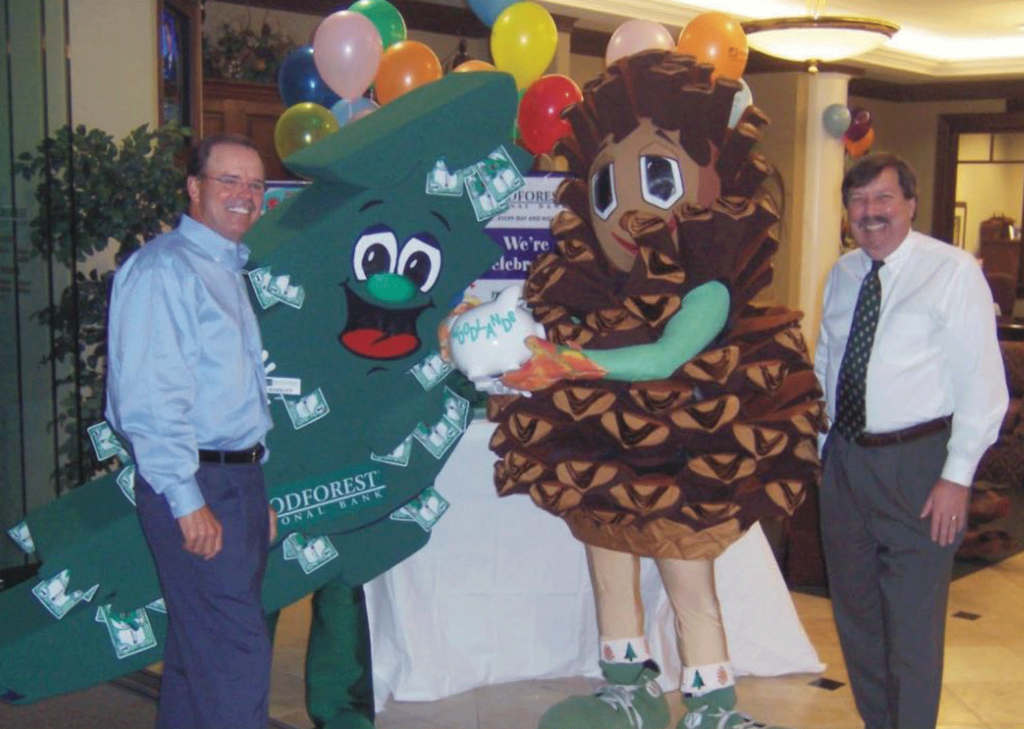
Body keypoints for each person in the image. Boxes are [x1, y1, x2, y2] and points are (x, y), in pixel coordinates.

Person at [465, 50, 823, 729]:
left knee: (689, 582)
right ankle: (629, 688)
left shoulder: (709, 277)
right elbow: (535, 333)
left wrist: (566, 366)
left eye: (656, 176)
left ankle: (713, 705)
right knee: (608, 561)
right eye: (606, 186)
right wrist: (482, 337)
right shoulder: (589, 283)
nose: (626, 205)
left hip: (686, 451)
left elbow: (664, 356)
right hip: (603, 444)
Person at [814, 153, 1008, 729]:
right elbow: (828, 360)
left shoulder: (953, 273)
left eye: (882, 199)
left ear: (910, 204)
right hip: (846, 461)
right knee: (857, 616)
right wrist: (822, 445)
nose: (869, 213)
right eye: (858, 201)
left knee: (913, 624)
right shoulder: (843, 274)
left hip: (920, 466)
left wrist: (957, 477)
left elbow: (983, 384)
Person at [106, 133, 276, 729]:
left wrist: (255, 494)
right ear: (195, 187)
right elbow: (150, 404)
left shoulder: (224, 268)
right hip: (197, 482)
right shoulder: (165, 271)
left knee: (198, 655)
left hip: (236, 482)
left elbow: (232, 394)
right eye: (229, 180)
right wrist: (187, 500)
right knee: (236, 658)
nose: (244, 195)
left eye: (255, 185)